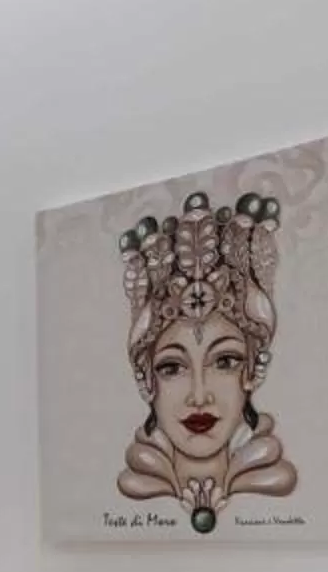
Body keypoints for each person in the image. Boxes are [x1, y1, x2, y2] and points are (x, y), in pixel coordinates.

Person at [116, 191, 298, 532]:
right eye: (172, 368)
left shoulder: (269, 474)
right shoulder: (139, 479)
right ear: (147, 381)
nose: (199, 397)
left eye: (225, 361)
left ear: (251, 370)